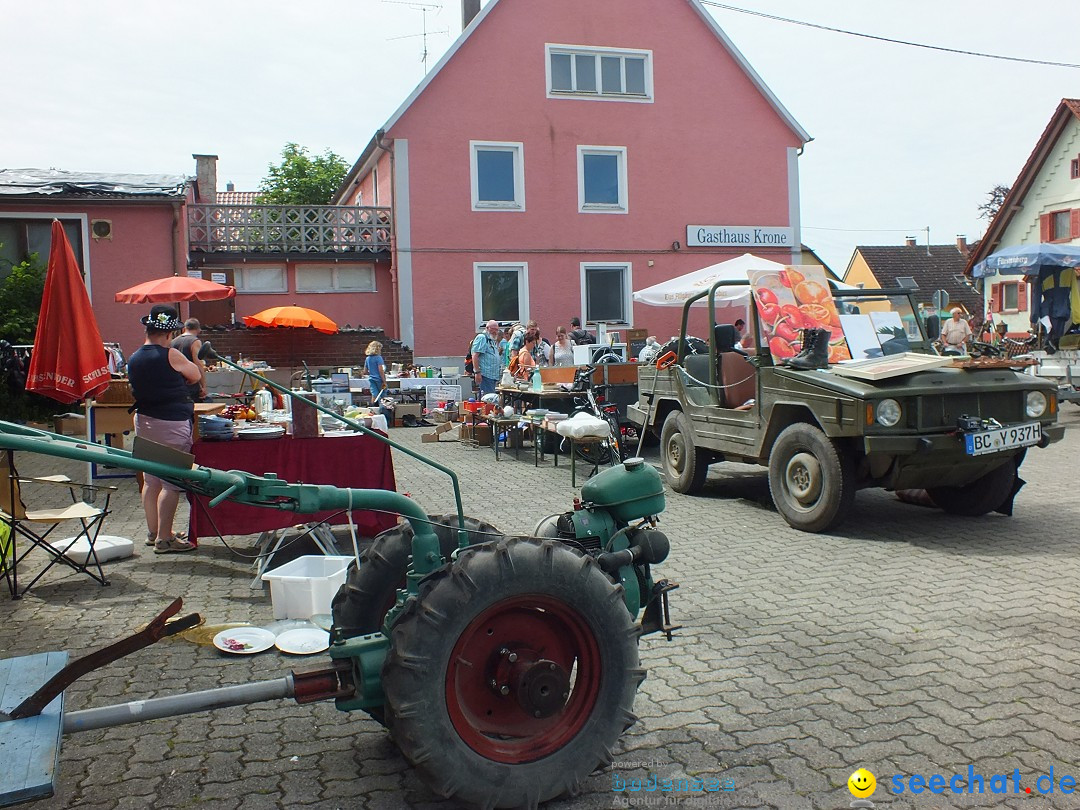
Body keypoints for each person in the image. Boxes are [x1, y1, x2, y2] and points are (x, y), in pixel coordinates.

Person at [128, 305, 201, 554]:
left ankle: (153, 531)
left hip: (144, 420)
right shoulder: (170, 355)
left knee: (151, 480)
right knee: (172, 481)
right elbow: (195, 376)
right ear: (169, 334)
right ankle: (165, 538)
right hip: (171, 422)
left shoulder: (134, 357)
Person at [170, 318, 207, 402]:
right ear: (198, 330)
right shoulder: (195, 341)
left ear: (184, 328)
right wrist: (203, 386)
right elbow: (198, 363)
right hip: (191, 382)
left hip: (176, 382)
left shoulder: (173, 341)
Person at [471, 319, 502, 394]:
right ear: (487, 328)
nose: (495, 331)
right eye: (493, 329)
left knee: (490, 399)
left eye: (496, 330)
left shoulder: (491, 339)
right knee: (488, 400)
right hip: (485, 375)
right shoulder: (482, 337)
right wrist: (477, 372)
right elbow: (475, 355)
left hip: (492, 376)